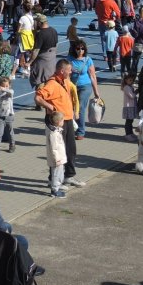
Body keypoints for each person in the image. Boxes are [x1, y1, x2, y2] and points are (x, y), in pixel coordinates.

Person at [35, 60, 85, 188]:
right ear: (62, 71)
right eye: (69, 70)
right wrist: (49, 106)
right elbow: (38, 97)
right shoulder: (52, 84)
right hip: (58, 122)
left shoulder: (65, 81)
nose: (71, 71)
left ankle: (69, 176)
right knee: (57, 152)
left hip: (67, 120)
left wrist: (75, 111)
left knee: (70, 150)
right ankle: (53, 180)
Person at [68, 39, 100, 139]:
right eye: (78, 48)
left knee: (80, 107)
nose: (80, 50)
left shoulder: (88, 60)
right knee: (71, 108)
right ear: (74, 49)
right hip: (73, 86)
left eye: (82, 48)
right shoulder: (70, 60)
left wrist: (96, 92)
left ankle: (80, 131)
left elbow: (93, 76)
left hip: (85, 86)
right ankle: (72, 127)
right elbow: (66, 75)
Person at [27, 13, 57, 91]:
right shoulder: (53, 30)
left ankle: (40, 100)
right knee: (50, 81)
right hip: (52, 59)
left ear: (39, 22)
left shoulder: (40, 34)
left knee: (40, 81)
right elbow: (56, 46)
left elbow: (36, 51)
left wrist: (29, 62)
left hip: (43, 60)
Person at [0, 77, 15, 156]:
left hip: (9, 115)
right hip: (0, 116)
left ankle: (12, 145)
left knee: (10, 131)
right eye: (3, 86)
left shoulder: (10, 91)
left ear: (9, 85)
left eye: (7, 86)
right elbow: (0, 94)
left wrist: (4, 89)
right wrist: (1, 89)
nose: (5, 87)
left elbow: (11, 93)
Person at [46, 111, 67, 198]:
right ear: (58, 122)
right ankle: (55, 190)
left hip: (60, 158)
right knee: (56, 175)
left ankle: (56, 188)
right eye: (63, 120)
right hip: (57, 159)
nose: (64, 122)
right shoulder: (54, 134)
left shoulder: (57, 131)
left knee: (59, 174)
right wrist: (57, 159)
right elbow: (54, 148)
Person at [121, 73, 138, 142]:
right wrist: (136, 92)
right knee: (128, 121)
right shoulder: (126, 87)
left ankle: (131, 133)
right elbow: (132, 96)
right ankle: (128, 134)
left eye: (132, 80)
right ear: (126, 80)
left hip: (131, 107)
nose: (132, 82)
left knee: (131, 121)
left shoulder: (130, 86)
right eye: (130, 80)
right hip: (128, 107)